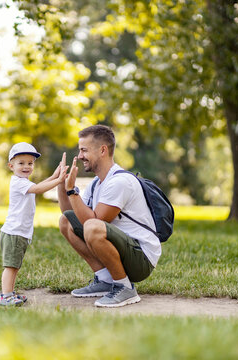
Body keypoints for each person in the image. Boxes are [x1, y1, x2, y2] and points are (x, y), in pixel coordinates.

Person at [57, 125, 161, 307]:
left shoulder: (120, 182)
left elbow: (95, 221)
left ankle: (125, 288)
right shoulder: (97, 183)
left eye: (84, 150)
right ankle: (106, 280)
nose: (80, 156)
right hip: (124, 250)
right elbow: (70, 213)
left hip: (141, 258)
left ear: (102, 150)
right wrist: (62, 184)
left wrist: (72, 191)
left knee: (93, 226)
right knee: (66, 220)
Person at [0, 142, 68, 306]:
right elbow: (38, 189)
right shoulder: (18, 182)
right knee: (10, 267)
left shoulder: (24, 182)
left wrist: (54, 176)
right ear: (11, 166)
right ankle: (5, 296)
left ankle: (10, 293)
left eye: (30, 163)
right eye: (21, 163)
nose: (26, 167)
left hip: (19, 232)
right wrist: (58, 180)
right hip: (14, 232)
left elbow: (38, 186)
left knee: (15, 266)